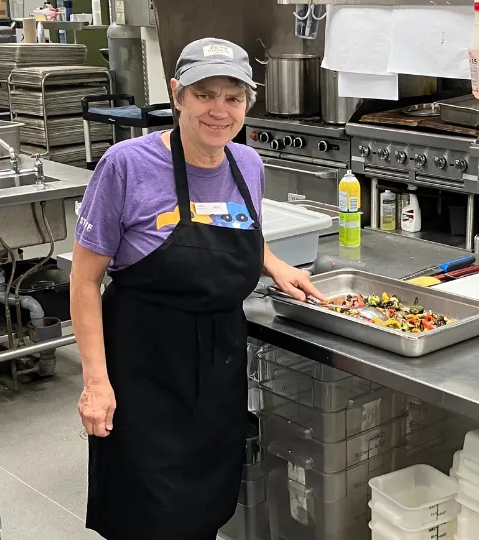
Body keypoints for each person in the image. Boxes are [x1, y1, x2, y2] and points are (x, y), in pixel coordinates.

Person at [70, 38, 324, 540]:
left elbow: (239, 225)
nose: (219, 110)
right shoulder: (127, 165)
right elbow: (84, 280)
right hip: (143, 368)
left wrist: (272, 263)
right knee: (146, 512)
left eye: (233, 97)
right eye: (204, 93)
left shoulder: (248, 164)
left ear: (248, 103)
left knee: (206, 505)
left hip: (219, 368)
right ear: (177, 95)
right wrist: (96, 384)